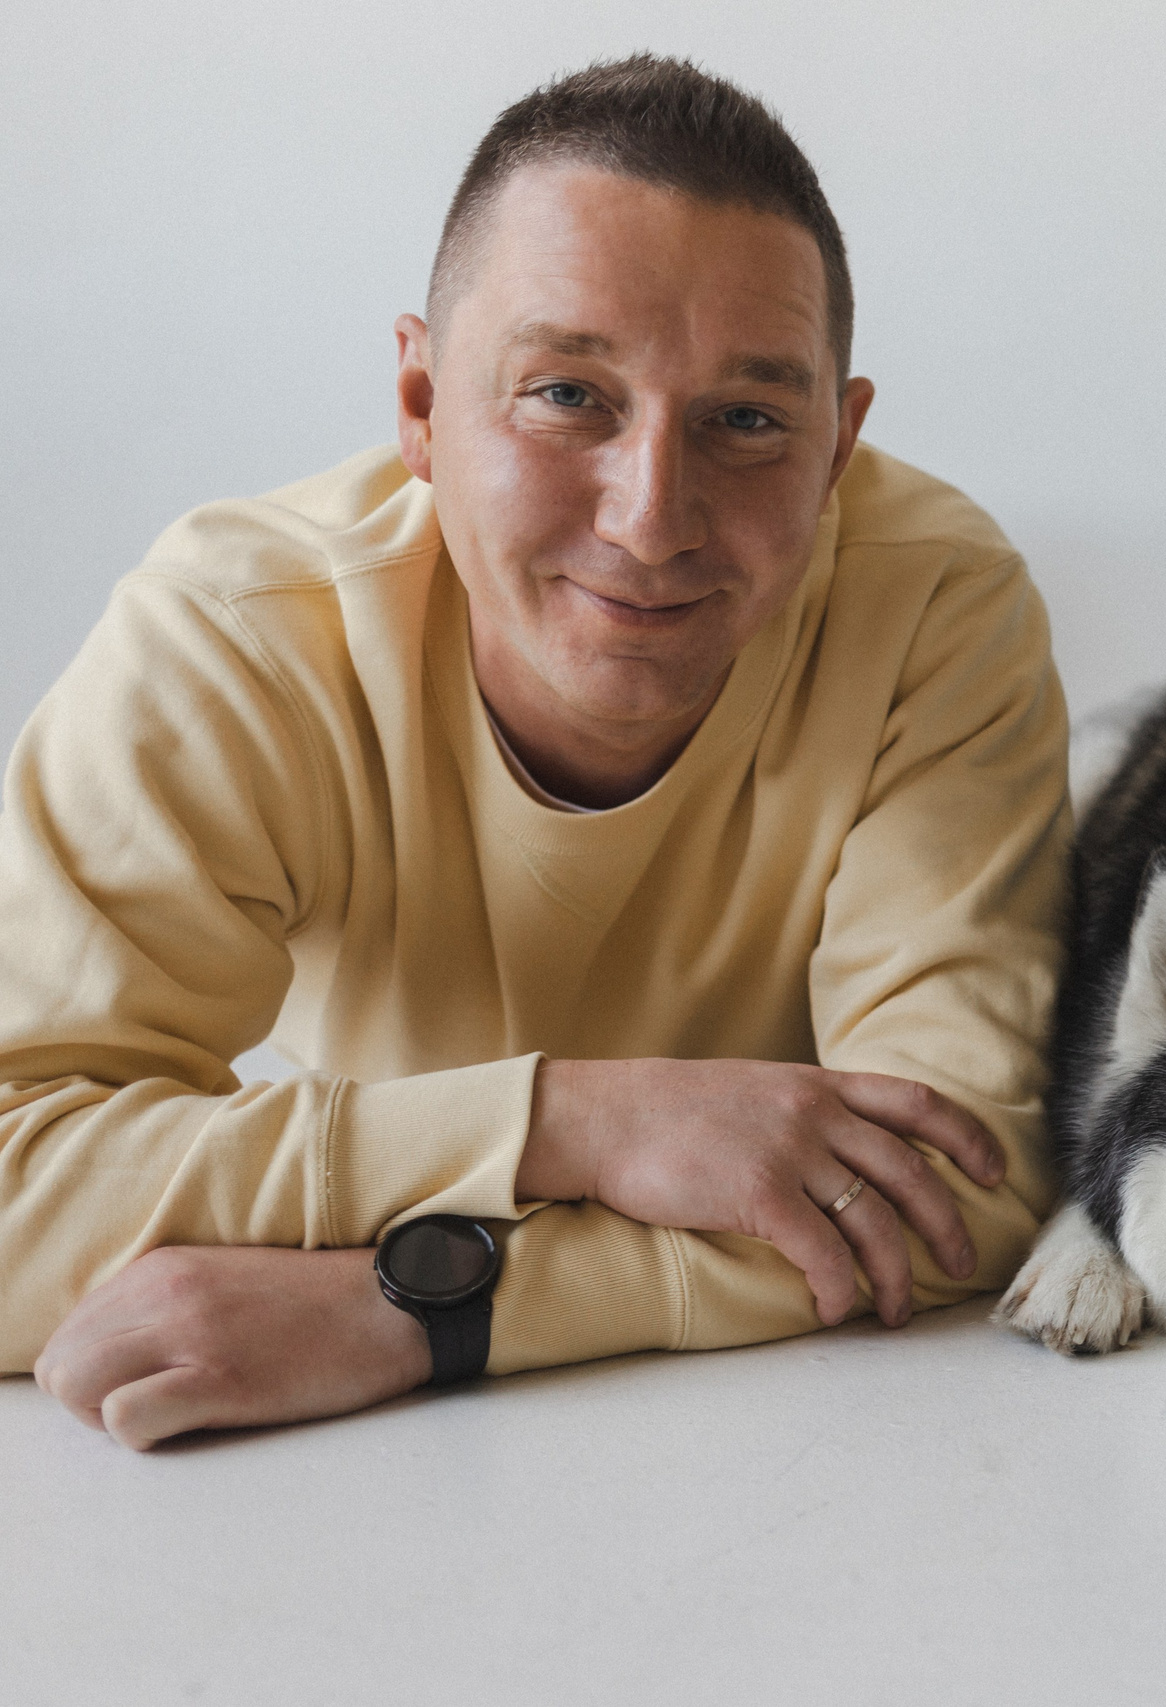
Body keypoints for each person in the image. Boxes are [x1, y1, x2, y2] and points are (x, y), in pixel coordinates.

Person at [4, 56, 1070, 1449]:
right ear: (419, 404)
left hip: (797, 1441)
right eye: (566, 393)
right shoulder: (238, 640)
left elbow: (960, 1182)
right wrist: (572, 1122)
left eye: (748, 419)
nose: (650, 516)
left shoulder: (937, 605)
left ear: (839, 448)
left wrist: (426, 1306)